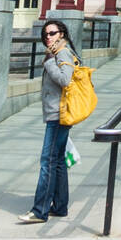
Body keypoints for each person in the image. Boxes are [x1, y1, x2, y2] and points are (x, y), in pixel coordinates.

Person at [18, 19, 75, 223]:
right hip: (57, 114)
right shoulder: (58, 53)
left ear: (61, 34)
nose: (48, 37)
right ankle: (59, 206)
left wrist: (50, 60)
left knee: (47, 162)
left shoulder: (62, 53)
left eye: (52, 33)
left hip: (58, 116)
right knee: (58, 161)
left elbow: (65, 80)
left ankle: (39, 210)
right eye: (45, 34)